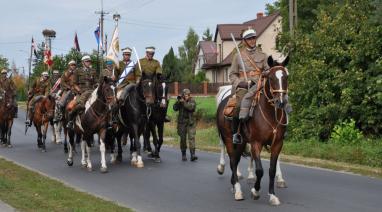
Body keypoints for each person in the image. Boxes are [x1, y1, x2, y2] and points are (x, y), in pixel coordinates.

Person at [229, 28, 270, 144]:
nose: (252, 40)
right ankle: (236, 133)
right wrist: (240, 83)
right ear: (244, 41)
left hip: (260, 84)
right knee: (238, 106)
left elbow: (268, 70)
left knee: (275, 100)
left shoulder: (263, 55)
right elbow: (232, 75)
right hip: (244, 86)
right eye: (249, 39)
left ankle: (278, 128)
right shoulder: (238, 56)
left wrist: (266, 73)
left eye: (253, 38)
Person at [136, 46, 170, 122]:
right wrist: (139, 77)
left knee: (165, 96)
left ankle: (164, 114)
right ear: (146, 53)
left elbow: (159, 71)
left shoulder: (156, 62)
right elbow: (137, 72)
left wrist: (158, 74)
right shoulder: (140, 61)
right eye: (149, 53)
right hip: (143, 81)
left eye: (152, 54)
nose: (151, 55)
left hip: (153, 82)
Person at [66, 55, 97, 129]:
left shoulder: (93, 71)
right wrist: (79, 90)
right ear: (83, 62)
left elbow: (96, 81)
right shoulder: (77, 71)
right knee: (80, 105)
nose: (88, 62)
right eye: (86, 61)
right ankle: (70, 121)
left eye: (89, 61)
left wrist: (97, 84)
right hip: (81, 92)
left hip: (92, 91)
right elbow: (74, 83)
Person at [173, 88, 198, 162]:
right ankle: (183, 154)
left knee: (191, 138)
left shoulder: (192, 101)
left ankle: (192, 155)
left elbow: (191, 108)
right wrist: (178, 102)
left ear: (189, 95)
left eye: (187, 95)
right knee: (183, 139)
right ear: (183, 95)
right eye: (185, 95)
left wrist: (183, 102)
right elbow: (174, 108)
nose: (186, 96)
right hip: (182, 123)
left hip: (190, 122)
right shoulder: (181, 101)